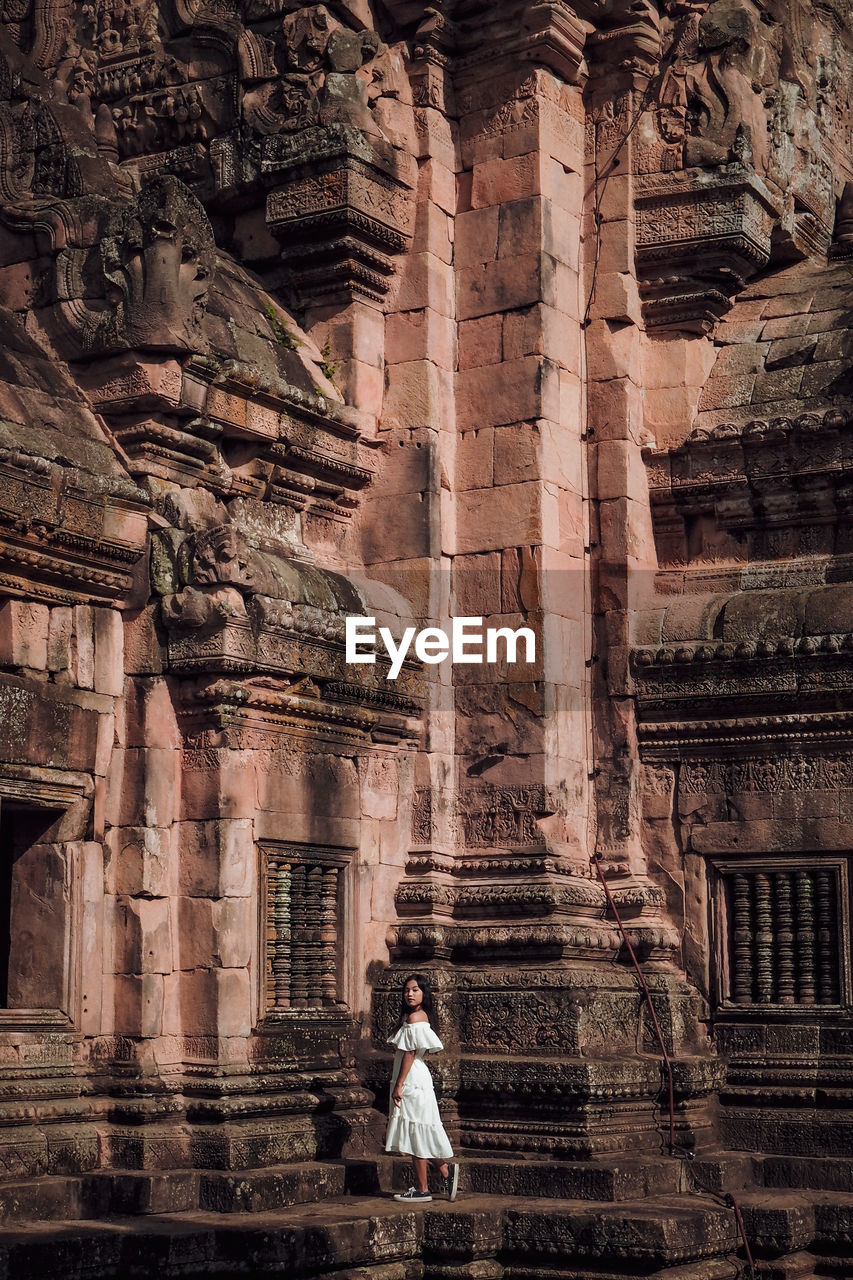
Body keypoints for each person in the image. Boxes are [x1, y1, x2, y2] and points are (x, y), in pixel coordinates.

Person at [385, 972, 459, 1202]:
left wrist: (399, 1084)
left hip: (411, 1079)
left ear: (424, 993)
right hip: (416, 1078)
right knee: (419, 1130)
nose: (409, 993)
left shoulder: (415, 1019)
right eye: (407, 990)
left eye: (415, 990)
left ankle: (423, 1189)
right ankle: (445, 1170)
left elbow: (409, 1052)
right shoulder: (419, 1016)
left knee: (415, 1132)